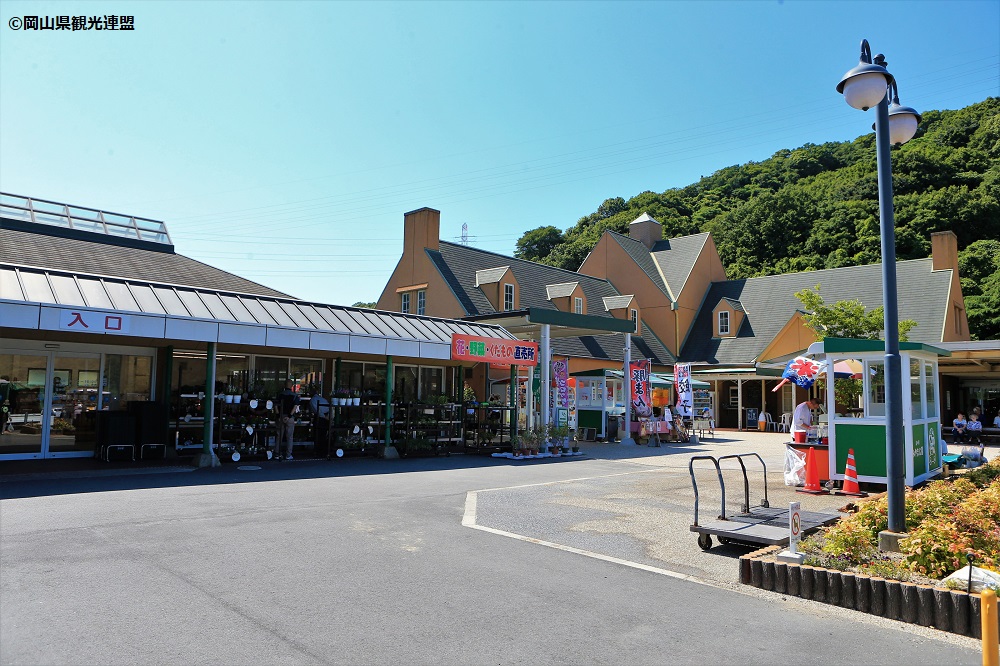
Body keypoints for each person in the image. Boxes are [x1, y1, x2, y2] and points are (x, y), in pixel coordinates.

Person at [274, 380, 300, 460]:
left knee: (279, 436)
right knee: (289, 437)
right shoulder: (294, 395)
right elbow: (295, 406)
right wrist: (289, 416)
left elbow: (275, 405)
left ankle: (277, 454)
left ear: (284, 385)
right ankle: (288, 455)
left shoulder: (279, 395)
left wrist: (279, 416)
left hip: (280, 416)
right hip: (290, 418)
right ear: (292, 385)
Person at [310, 390, 331, 456]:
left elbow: (317, 411)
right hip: (326, 417)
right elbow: (328, 408)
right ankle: (323, 450)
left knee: (318, 435)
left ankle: (318, 451)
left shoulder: (312, 400)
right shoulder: (323, 399)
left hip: (320, 418)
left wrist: (324, 416)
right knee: (323, 435)